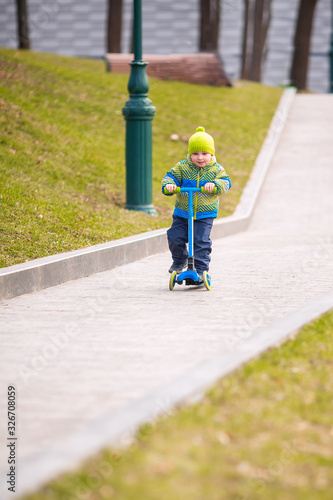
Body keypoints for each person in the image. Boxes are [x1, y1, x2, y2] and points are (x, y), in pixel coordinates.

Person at [161, 126, 231, 280]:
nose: (200, 158)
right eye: (195, 154)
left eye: (204, 153)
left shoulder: (216, 169)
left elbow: (226, 183)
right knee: (174, 236)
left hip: (204, 214)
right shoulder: (183, 167)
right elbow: (169, 177)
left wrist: (215, 185)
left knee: (201, 241)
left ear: (211, 154)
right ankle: (180, 260)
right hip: (183, 212)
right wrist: (169, 186)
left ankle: (200, 270)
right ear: (189, 154)